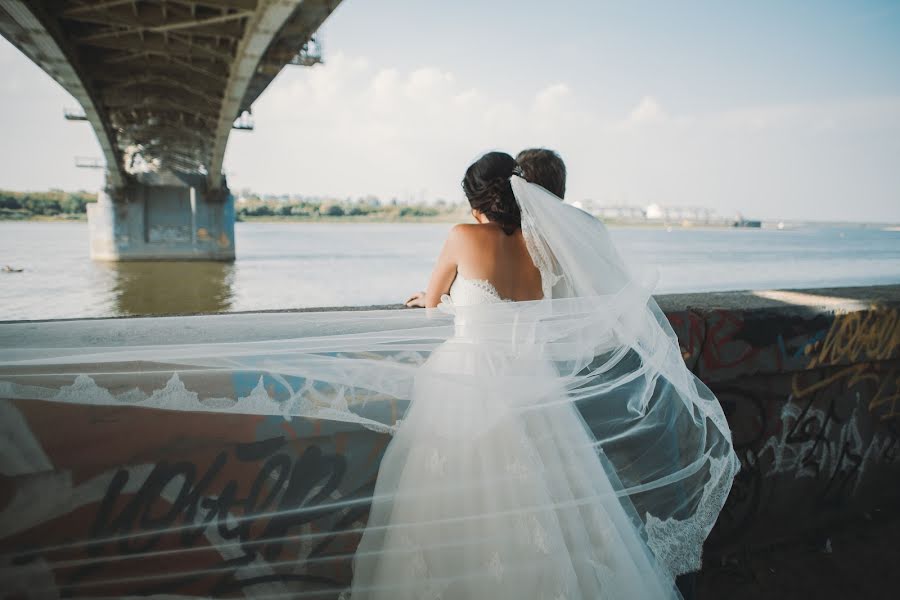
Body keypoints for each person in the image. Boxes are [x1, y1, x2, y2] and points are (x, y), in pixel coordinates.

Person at [351, 151, 738, 598]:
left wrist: (452, 301)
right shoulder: (543, 246)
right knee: (552, 500)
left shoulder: (462, 235)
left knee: (453, 498)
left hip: (470, 378)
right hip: (530, 379)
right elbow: (539, 311)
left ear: (476, 202)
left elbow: (433, 302)